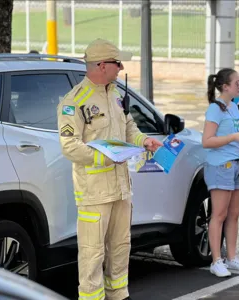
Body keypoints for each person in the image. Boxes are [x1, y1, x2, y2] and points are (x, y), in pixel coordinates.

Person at [57, 38, 163, 300]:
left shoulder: (115, 94)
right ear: (102, 65)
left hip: (120, 188)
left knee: (120, 247)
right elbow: (69, 146)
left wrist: (143, 141)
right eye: (117, 63)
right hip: (94, 192)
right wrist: (105, 158)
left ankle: (119, 294)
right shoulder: (74, 101)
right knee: (92, 252)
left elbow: (129, 129)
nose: (121, 67)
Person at [202, 68, 239, 277]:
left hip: (235, 164)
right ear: (225, 87)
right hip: (220, 165)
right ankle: (216, 260)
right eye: (237, 83)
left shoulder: (234, 107)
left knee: (233, 214)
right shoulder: (215, 109)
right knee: (219, 214)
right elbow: (207, 141)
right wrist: (234, 137)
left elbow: (235, 133)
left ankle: (232, 258)